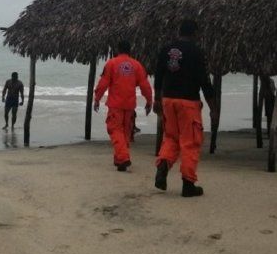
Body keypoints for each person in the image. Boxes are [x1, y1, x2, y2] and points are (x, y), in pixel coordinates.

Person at [153, 20, 218, 197]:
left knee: (171, 137)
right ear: (195, 33)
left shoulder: (166, 49)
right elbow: (205, 80)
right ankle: (188, 184)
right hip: (188, 102)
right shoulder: (196, 52)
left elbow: (158, 74)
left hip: (168, 100)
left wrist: (156, 99)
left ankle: (163, 165)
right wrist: (213, 107)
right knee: (190, 142)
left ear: (179, 31)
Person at [93, 41, 153, 172]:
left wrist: (97, 99)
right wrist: (149, 101)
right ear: (129, 50)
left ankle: (123, 157)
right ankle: (120, 160)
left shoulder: (112, 64)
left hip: (116, 105)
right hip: (129, 105)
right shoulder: (137, 65)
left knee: (115, 130)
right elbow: (145, 85)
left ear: (117, 50)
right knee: (125, 132)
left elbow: (103, 83)